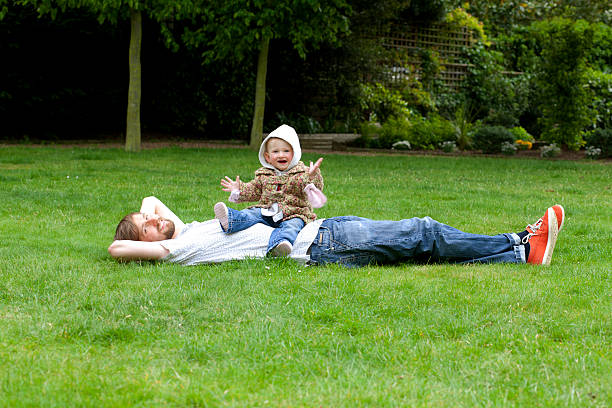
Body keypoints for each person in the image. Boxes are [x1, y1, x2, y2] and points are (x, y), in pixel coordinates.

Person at [109, 196, 565, 268]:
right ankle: (518, 242)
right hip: (322, 244)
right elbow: (115, 247)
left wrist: (150, 219)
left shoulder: (184, 228)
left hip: (325, 229)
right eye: (145, 227)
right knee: (423, 232)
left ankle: (519, 255)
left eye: (150, 219)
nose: (153, 219)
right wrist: (146, 237)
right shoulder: (178, 248)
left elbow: (151, 199)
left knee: (420, 250)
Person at [214, 124, 326, 257]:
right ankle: (231, 220)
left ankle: (280, 246)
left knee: (292, 227)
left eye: (286, 151)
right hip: (267, 211)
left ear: (294, 153)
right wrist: (239, 189)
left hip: (294, 213)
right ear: (267, 157)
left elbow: (313, 187)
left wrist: (313, 177)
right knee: (250, 214)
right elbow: (254, 190)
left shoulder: (303, 173)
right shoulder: (264, 175)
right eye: (275, 152)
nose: (281, 155)